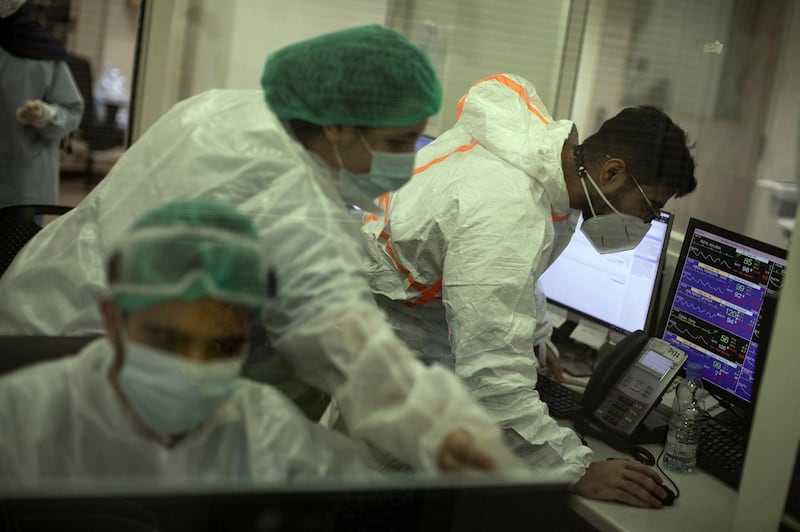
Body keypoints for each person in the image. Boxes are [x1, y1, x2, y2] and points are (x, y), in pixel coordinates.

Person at [0, 25, 518, 473]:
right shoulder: (284, 187)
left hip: (36, 303)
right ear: (337, 124)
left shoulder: (229, 109)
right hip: (95, 360)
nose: (407, 162)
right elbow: (346, 346)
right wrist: (471, 445)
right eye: (397, 142)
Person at [360, 73, 697, 507]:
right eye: (648, 208)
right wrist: (574, 469)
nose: (644, 223)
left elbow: (515, 269)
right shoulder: (507, 209)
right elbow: (490, 374)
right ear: (612, 172)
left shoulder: (548, 162)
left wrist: (537, 333)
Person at [0, 198, 382, 484]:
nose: (193, 371)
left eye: (222, 347)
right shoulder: (21, 420)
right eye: (168, 342)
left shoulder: (259, 423)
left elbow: (361, 492)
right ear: (113, 322)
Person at [0, 0, 84, 207]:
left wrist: (45, 115)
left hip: (21, 187)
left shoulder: (40, 52)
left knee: (19, 239)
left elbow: (72, 111)